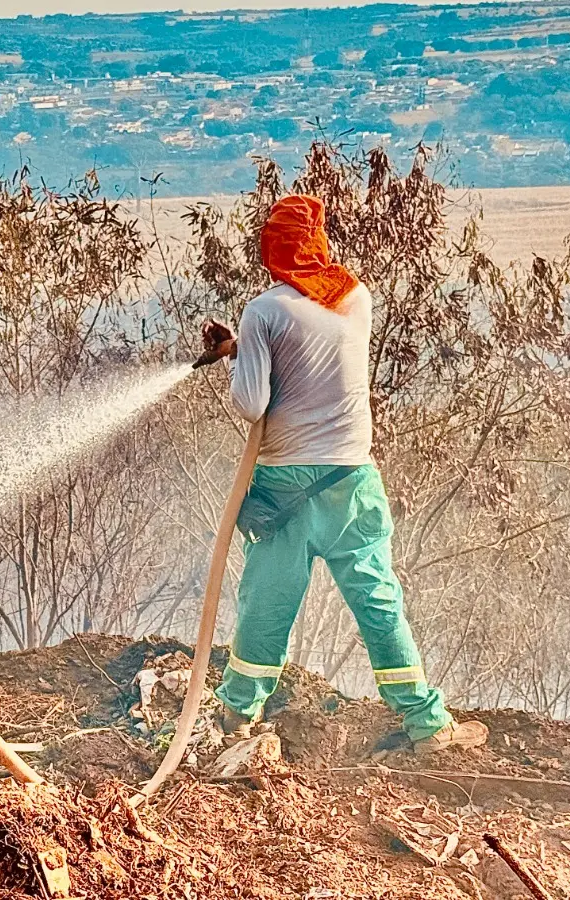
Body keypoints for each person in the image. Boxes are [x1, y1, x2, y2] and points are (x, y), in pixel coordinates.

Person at [199, 194, 487, 754]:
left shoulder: (263, 310)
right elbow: (314, 345)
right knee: (378, 599)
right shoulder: (357, 297)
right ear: (318, 242)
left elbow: (252, 404)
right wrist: (241, 346)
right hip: (353, 481)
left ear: (271, 249)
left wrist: (243, 348)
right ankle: (426, 722)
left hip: (286, 487)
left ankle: (237, 714)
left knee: (267, 602)